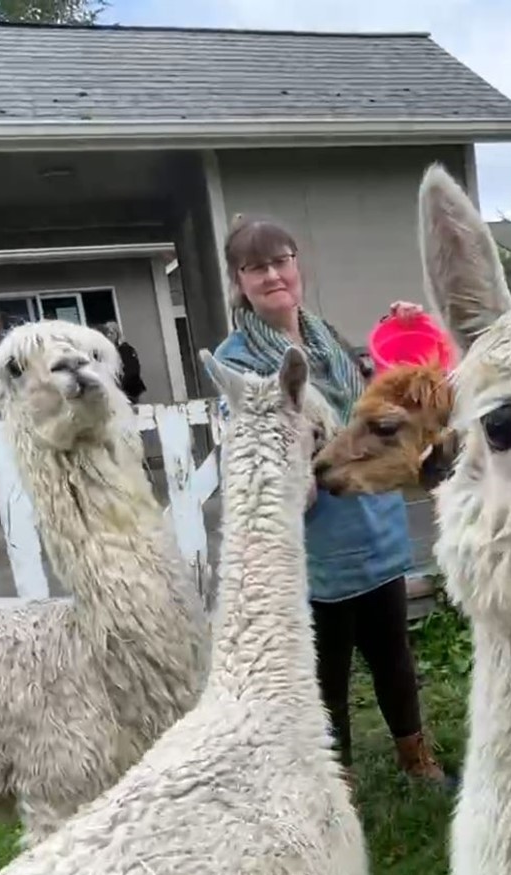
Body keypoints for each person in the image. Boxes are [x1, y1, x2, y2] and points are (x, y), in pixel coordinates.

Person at [205, 215, 452, 790]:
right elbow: (252, 441)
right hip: (315, 539)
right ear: (239, 281)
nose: (273, 276)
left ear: (297, 267)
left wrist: (403, 330)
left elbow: (380, 401)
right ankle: (334, 787)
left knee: (393, 654)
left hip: (373, 524)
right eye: (256, 267)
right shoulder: (236, 361)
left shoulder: (328, 339)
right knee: (326, 673)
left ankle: (417, 760)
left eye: (281, 261)